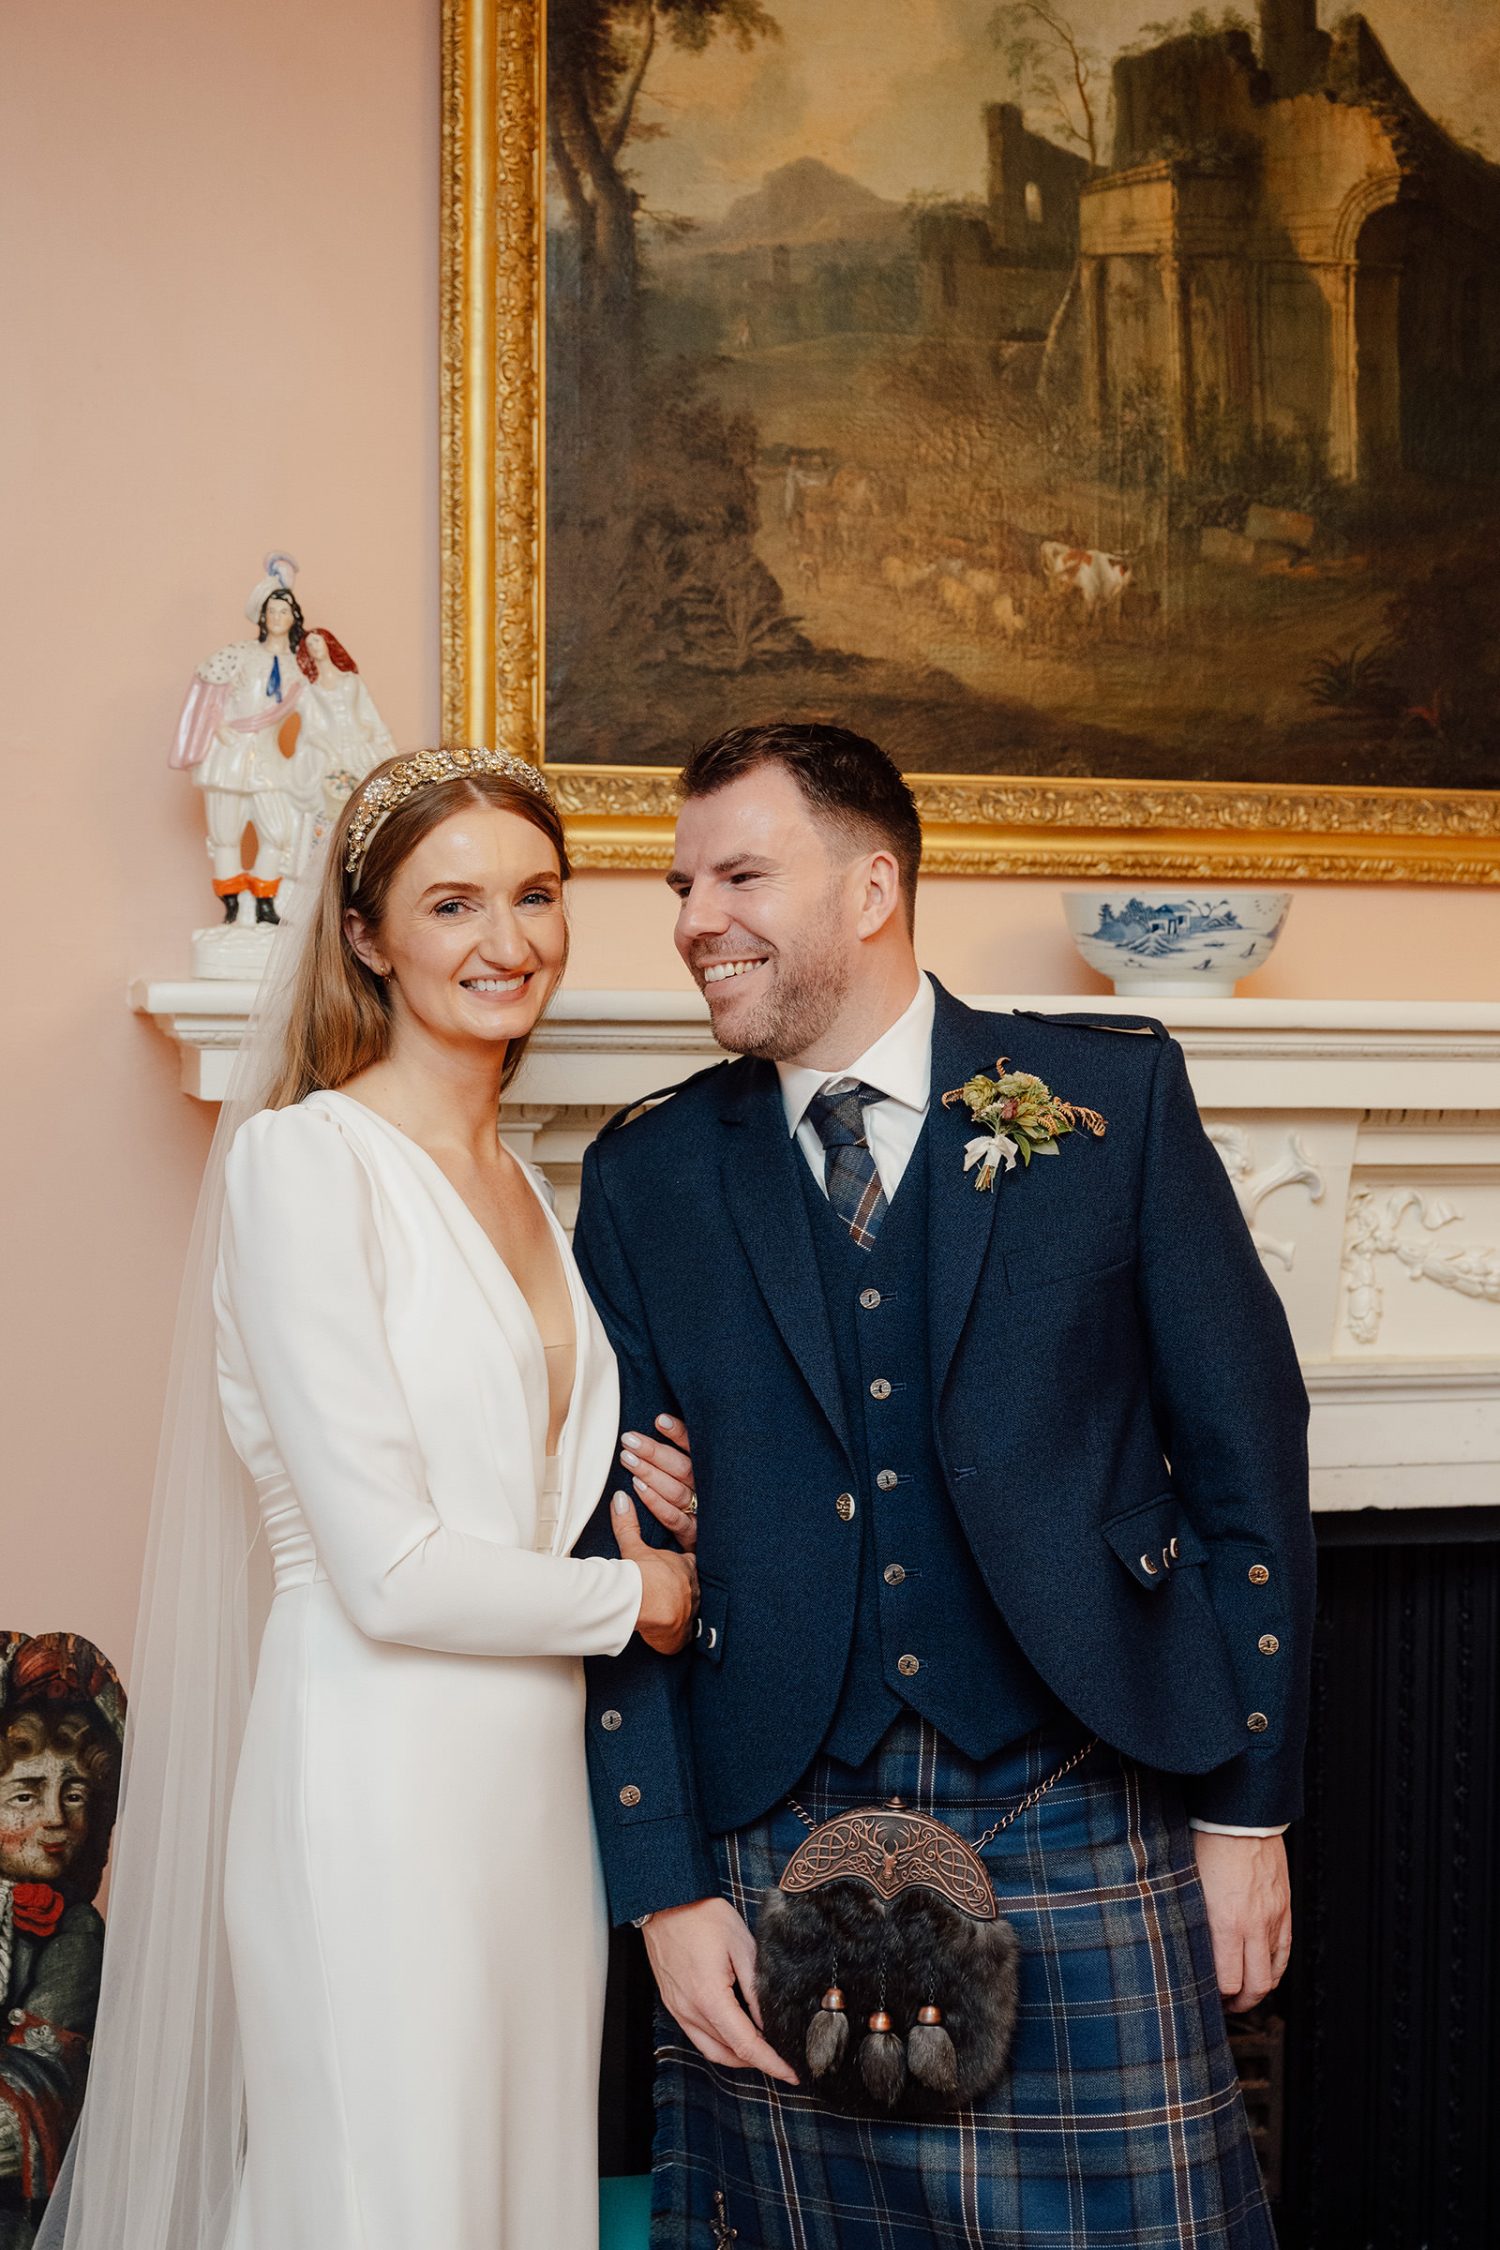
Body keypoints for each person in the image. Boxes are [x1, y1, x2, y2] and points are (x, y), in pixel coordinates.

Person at [574, 722, 1314, 2247]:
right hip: (772, 1822)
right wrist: (659, 1888)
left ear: (872, 886)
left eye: (740, 874)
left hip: (1078, 1795)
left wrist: (1250, 1811)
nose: (693, 917)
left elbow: (1250, 1461)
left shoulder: (1108, 1105)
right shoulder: (648, 1173)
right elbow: (617, 1538)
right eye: (680, 881)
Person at [42, 747, 700, 2250]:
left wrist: (662, 1507)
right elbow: (389, 1567)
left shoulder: (530, 1181)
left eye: (536, 896)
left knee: (515, 2200)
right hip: (371, 1782)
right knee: (377, 2200)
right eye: (452, 902)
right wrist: (643, 1597)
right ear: (364, 934)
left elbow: (528, 1481)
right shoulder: (302, 1164)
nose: (507, 940)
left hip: (534, 1800)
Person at [0, 1634, 124, 2250]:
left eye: (73, 1793)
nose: (55, 1817)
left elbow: (39, 2087)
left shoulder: (73, 1935)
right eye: (26, 1794)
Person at [169, 557, 311, 926]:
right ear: (262, 617)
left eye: (285, 610)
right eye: (272, 610)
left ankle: (266, 899)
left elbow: (315, 714)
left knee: (278, 833)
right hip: (229, 759)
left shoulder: (300, 666)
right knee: (226, 834)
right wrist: (218, 728)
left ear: (294, 617)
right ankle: (232, 905)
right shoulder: (237, 655)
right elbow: (208, 697)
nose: (278, 616)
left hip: (268, 761)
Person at [287, 629, 397, 870]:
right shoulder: (309, 687)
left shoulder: (350, 678)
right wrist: (329, 751)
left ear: (328, 644)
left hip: (360, 746)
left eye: (318, 641)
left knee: (371, 804)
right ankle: (328, 864)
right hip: (331, 750)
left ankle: (365, 864)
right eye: (310, 644)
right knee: (329, 808)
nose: (315, 646)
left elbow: (368, 712)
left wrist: (375, 734)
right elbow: (311, 728)